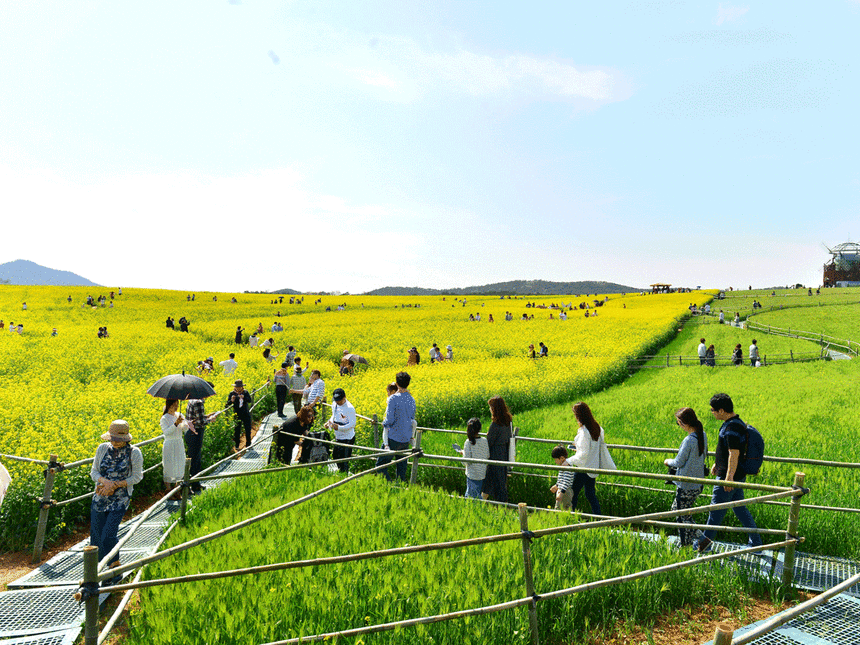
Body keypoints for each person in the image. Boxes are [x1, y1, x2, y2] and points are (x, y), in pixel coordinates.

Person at [695, 393, 762, 553]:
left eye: (713, 410)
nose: (712, 412)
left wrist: (728, 477)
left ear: (722, 410)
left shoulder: (732, 427)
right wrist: (717, 464)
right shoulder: (734, 423)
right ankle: (757, 543)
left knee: (715, 511)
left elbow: (734, 453)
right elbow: (726, 451)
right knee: (740, 509)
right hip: (734, 474)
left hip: (729, 478)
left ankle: (704, 545)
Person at [89, 420, 143, 583]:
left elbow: (137, 477)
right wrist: (106, 483)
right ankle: (97, 572)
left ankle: (116, 569)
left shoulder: (134, 453)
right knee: (96, 537)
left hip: (120, 499)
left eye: (117, 439)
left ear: (126, 439)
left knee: (109, 535)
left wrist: (116, 485)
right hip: (100, 496)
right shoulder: (102, 448)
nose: (114, 441)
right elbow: (94, 472)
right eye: (112, 438)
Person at [663, 408, 708, 547]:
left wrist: (667, 461)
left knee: (681, 515)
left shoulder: (689, 440)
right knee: (681, 513)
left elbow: (678, 462)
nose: (679, 426)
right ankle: (702, 540)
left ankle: (686, 545)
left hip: (686, 485)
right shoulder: (702, 435)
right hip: (697, 483)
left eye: (679, 423)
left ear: (684, 423)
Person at [376, 371, 416, 482]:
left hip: (393, 437)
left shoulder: (393, 398)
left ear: (397, 384)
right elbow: (412, 417)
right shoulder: (412, 399)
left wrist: (384, 423)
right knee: (401, 469)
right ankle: (401, 489)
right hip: (405, 439)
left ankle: (390, 487)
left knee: (380, 466)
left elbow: (389, 420)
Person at [567, 401, 606, 514]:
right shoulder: (597, 428)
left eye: (575, 415)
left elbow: (583, 454)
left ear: (579, 416)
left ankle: (570, 516)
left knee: (572, 493)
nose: (575, 418)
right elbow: (592, 448)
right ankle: (598, 518)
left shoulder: (584, 432)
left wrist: (569, 461)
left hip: (583, 467)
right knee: (590, 494)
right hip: (593, 467)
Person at [483, 396, 512, 503]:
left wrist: (487, 436)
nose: (490, 409)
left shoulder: (495, 424)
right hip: (504, 453)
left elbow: (489, 441)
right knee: (500, 480)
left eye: (491, 407)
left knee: (492, 480)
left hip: (495, 453)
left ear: (495, 408)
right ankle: (485, 501)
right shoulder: (508, 421)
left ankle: (487, 502)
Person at [185, 393, 214, 494]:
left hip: (190, 433)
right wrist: (210, 420)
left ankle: (195, 484)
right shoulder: (198, 402)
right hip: (196, 433)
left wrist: (206, 416)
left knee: (194, 459)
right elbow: (201, 422)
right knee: (195, 461)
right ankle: (193, 485)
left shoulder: (191, 400)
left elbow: (194, 418)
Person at [325, 388, 357, 473]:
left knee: (344, 460)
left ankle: (344, 476)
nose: (338, 402)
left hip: (347, 438)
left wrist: (339, 428)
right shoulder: (334, 404)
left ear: (345, 397)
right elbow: (334, 416)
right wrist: (329, 422)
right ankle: (340, 473)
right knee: (336, 456)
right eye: (336, 400)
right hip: (338, 436)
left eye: (339, 400)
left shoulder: (350, 408)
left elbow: (352, 424)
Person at [457, 418, 489, 499]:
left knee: (472, 498)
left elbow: (466, 462)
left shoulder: (468, 442)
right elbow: (487, 455)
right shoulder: (484, 440)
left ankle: (482, 509)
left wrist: (463, 453)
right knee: (473, 494)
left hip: (472, 474)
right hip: (482, 473)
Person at [160, 399, 187, 489]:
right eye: (174, 405)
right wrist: (176, 423)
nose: (176, 407)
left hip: (179, 443)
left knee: (179, 465)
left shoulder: (179, 415)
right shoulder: (164, 418)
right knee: (169, 466)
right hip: (170, 444)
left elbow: (184, 429)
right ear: (169, 405)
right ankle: (168, 490)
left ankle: (177, 489)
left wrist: (186, 425)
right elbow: (166, 432)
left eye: (177, 405)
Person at [227, 380, 254, 453]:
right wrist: (232, 400)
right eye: (237, 387)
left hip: (245, 413)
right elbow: (227, 404)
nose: (238, 388)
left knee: (247, 429)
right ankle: (237, 445)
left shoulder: (245, 392)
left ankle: (248, 444)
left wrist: (244, 397)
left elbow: (249, 400)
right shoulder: (232, 393)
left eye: (239, 387)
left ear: (242, 387)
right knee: (237, 430)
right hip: (237, 414)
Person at [550, 445, 576, 510]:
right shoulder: (563, 466)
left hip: (565, 491)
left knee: (559, 508)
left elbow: (566, 481)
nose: (555, 462)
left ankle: (558, 520)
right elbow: (562, 479)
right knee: (567, 508)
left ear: (561, 458)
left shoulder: (567, 467)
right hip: (564, 489)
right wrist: (556, 485)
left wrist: (561, 493)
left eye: (556, 460)